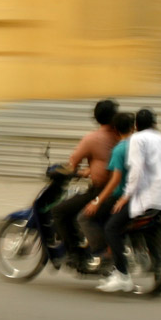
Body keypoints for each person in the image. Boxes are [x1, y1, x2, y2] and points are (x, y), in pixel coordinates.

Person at [97, 108, 161, 292]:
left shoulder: (137, 139)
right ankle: (155, 266)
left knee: (111, 227)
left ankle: (122, 276)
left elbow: (135, 171)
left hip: (152, 195)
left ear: (136, 125)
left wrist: (125, 196)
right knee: (149, 225)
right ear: (155, 123)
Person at [45, 99, 119, 265]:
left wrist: (67, 171)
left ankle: (75, 254)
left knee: (59, 211)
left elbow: (72, 163)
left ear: (96, 117)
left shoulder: (92, 138)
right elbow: (107, 164)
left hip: (101, 191)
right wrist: (89, 172)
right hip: (118, 187)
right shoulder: (120, 135)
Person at [76, 111, 135, 268]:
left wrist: (97, 201)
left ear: (115, 130)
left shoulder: (119, 150)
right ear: (133, 127)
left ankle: (102, 254)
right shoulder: (139, 145)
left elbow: (115, 180)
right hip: (137, 194)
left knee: (84, 217)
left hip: (120, 195)